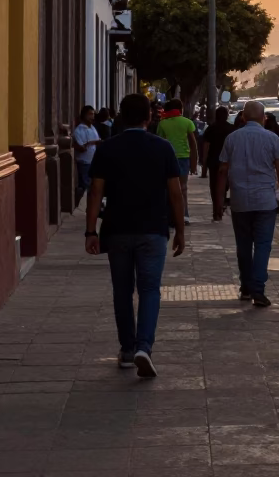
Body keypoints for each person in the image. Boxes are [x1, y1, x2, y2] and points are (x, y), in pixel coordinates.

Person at [84, 93, 185, 378]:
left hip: (116, 229)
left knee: (122, 291)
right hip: (153, 229)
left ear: (121, 116)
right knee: (150, 289)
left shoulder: (107, 149)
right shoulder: (162, 148)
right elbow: (175, 194)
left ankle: (127, 350)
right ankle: (144, 347)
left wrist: (91, 231)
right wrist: (180, 230)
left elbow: (95, 192)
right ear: (148, 117)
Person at [216, 101, 279, 307]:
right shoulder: (272, 138)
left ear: (243, 118)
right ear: (264, 118)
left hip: (240, 201)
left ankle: (246, 287)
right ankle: (258, 289)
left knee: (243, 245)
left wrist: (219, 201)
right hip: (266, 201)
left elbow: (222, 171)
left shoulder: (232, 139)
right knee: (263, 245)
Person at [156, 99, 199, 225]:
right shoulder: (187, 122)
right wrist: (194, 163)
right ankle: (184, 216)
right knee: (183, 188)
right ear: (180, 109)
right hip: (183, 158)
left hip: (167, 159)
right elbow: (193, 143)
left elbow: (159, 142)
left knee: (167, 188)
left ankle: (169, 216)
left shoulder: (162, 124)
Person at [201, 106, 234, 221]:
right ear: (227, 115)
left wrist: (204, 163)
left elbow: (206, 146)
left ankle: (216, 210)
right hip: (228, 162)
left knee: (214, 186)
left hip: (213, 161)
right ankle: (221, 205)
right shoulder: (231, 129)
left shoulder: (211, 128)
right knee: (225, 186)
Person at [73, 106, 102, 199]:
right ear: (84, 115)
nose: (92, 117)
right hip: (84, 162)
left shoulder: (93, 128)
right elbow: (81, 148)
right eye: (90, 114)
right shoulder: (79, 130)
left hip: (93, 161)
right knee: (85, 187)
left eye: (93, 114)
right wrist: (92, 142)